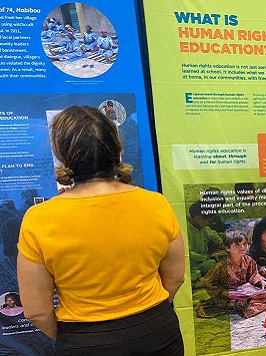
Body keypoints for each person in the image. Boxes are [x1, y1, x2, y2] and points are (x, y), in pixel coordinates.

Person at [17, 106, 185, 354]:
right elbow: (175, 278)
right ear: (116, 148)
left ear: (63, 154)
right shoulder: (155, 204)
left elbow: (37, 311)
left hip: (85, 341)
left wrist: (83, 340)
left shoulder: (39, 219)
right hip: (157, 332)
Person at [198, 229, 266, 318]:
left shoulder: (249, 260)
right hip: (229, 297)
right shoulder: (221, 265)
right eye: (237, 245)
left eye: (245, 244)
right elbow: (207, 282)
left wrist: (260, 281)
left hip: (246, 292)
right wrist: (225, 292)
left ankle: (254, 301)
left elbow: (254, 274)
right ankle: (251, 305)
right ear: (227, 248)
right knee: (242, 303)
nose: (242, 247)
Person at [187, 201, 223, 279]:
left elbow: (212, 234)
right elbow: (189, 253)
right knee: (212, 264)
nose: (209, 223)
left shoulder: (203, 228)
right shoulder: (187, 230)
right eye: (208, 221)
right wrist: (204, 257)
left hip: (203, 260)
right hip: (194, 266)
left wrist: (221, 242)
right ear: (199, 218)